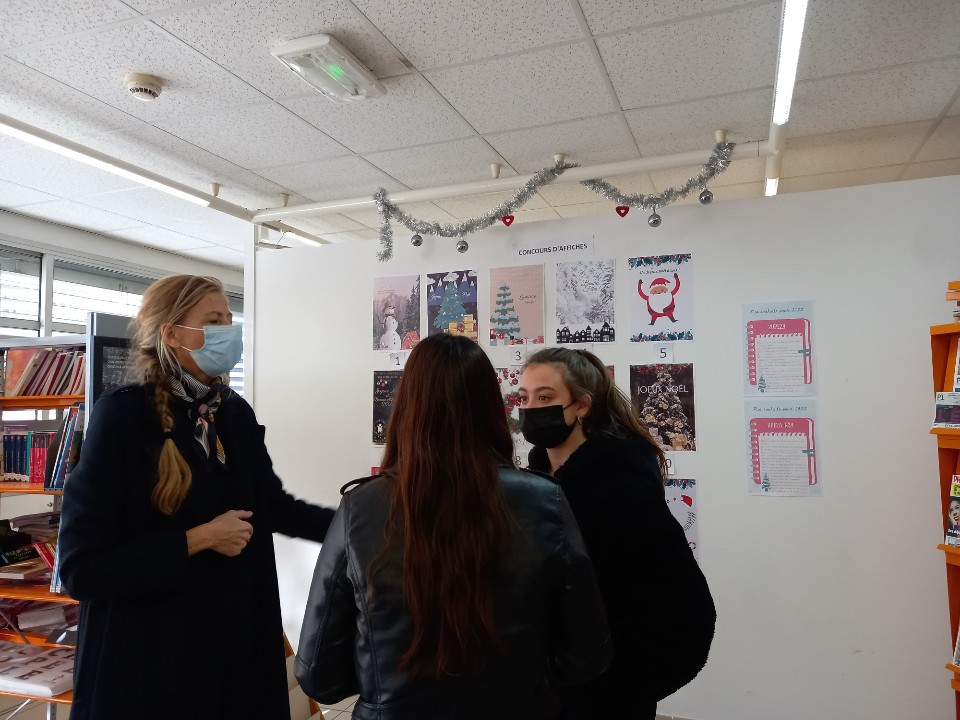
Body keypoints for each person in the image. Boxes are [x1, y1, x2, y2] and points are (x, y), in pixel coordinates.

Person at [58, 274, 335, 720]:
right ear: (171, 333)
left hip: (235, 662)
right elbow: (81, 569)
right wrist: (196, 539)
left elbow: (272, 506)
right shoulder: (124, 417)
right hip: (154, 674)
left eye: (230, 319)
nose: (229, 330)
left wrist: (357, 524)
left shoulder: (234, 413)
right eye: (213, 320)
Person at [295, 333, 612, 720]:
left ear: (406, 408)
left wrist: (382, 688)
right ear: (491, 407)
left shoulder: (359, 508)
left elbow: (319, 677)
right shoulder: (544, 499)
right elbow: (586, 656)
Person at [518, 347, 716, 720]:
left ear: (581, 406)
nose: (530, 409)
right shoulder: (534, 484)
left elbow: (687, 610)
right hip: (547, 694)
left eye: (545, 397)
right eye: (524, 398)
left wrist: (621, 686)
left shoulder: (623, 488)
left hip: (604, 699)